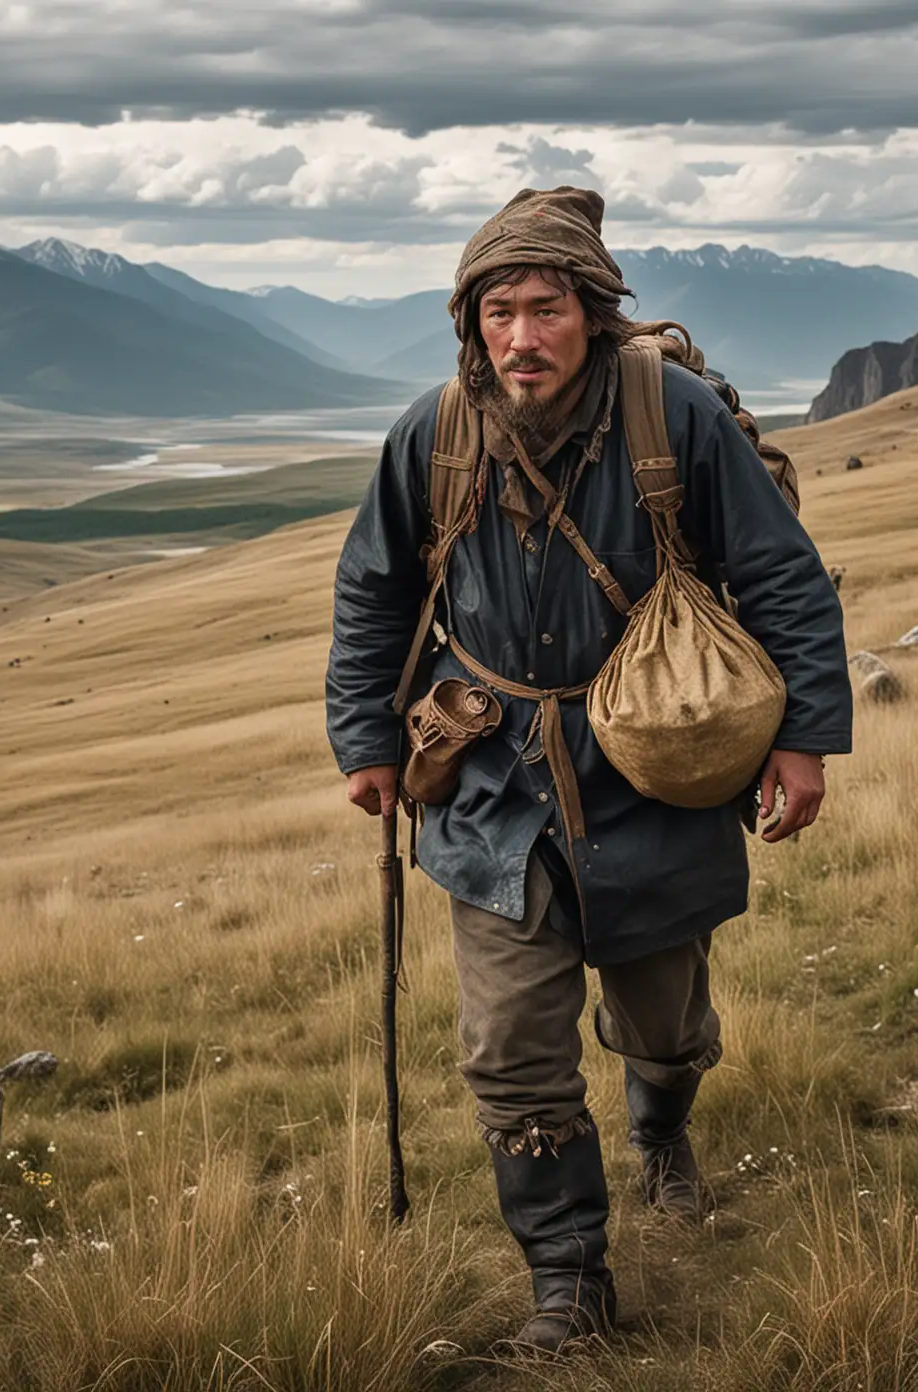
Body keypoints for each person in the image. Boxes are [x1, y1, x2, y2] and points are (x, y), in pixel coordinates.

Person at [325, 186, 851, 1353]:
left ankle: (662, 1126)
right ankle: (570, 1280)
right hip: (490, 788)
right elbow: (376, 590)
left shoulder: (677, 420)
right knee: (510, 1049)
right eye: (498, 312)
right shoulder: (432, 435)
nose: (522, 337)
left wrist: (805, 736)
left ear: (595, 310)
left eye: (546, 308)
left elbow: (781, 574)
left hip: (657, 768)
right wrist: (365, 739)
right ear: (471, 324)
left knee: (665, 1024)